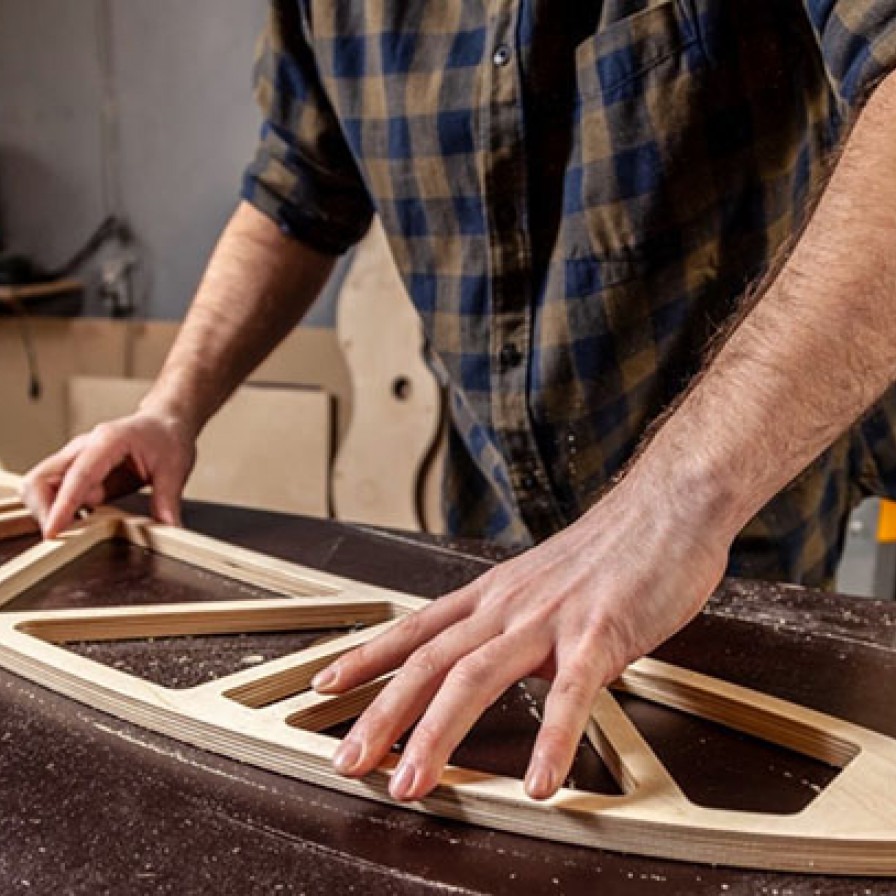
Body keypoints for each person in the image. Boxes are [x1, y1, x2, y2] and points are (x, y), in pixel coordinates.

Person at [23, 1, 896, 804]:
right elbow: (297, 190)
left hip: (728, 533)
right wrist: (171, 407)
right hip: (493, 540)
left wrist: (670, 506)